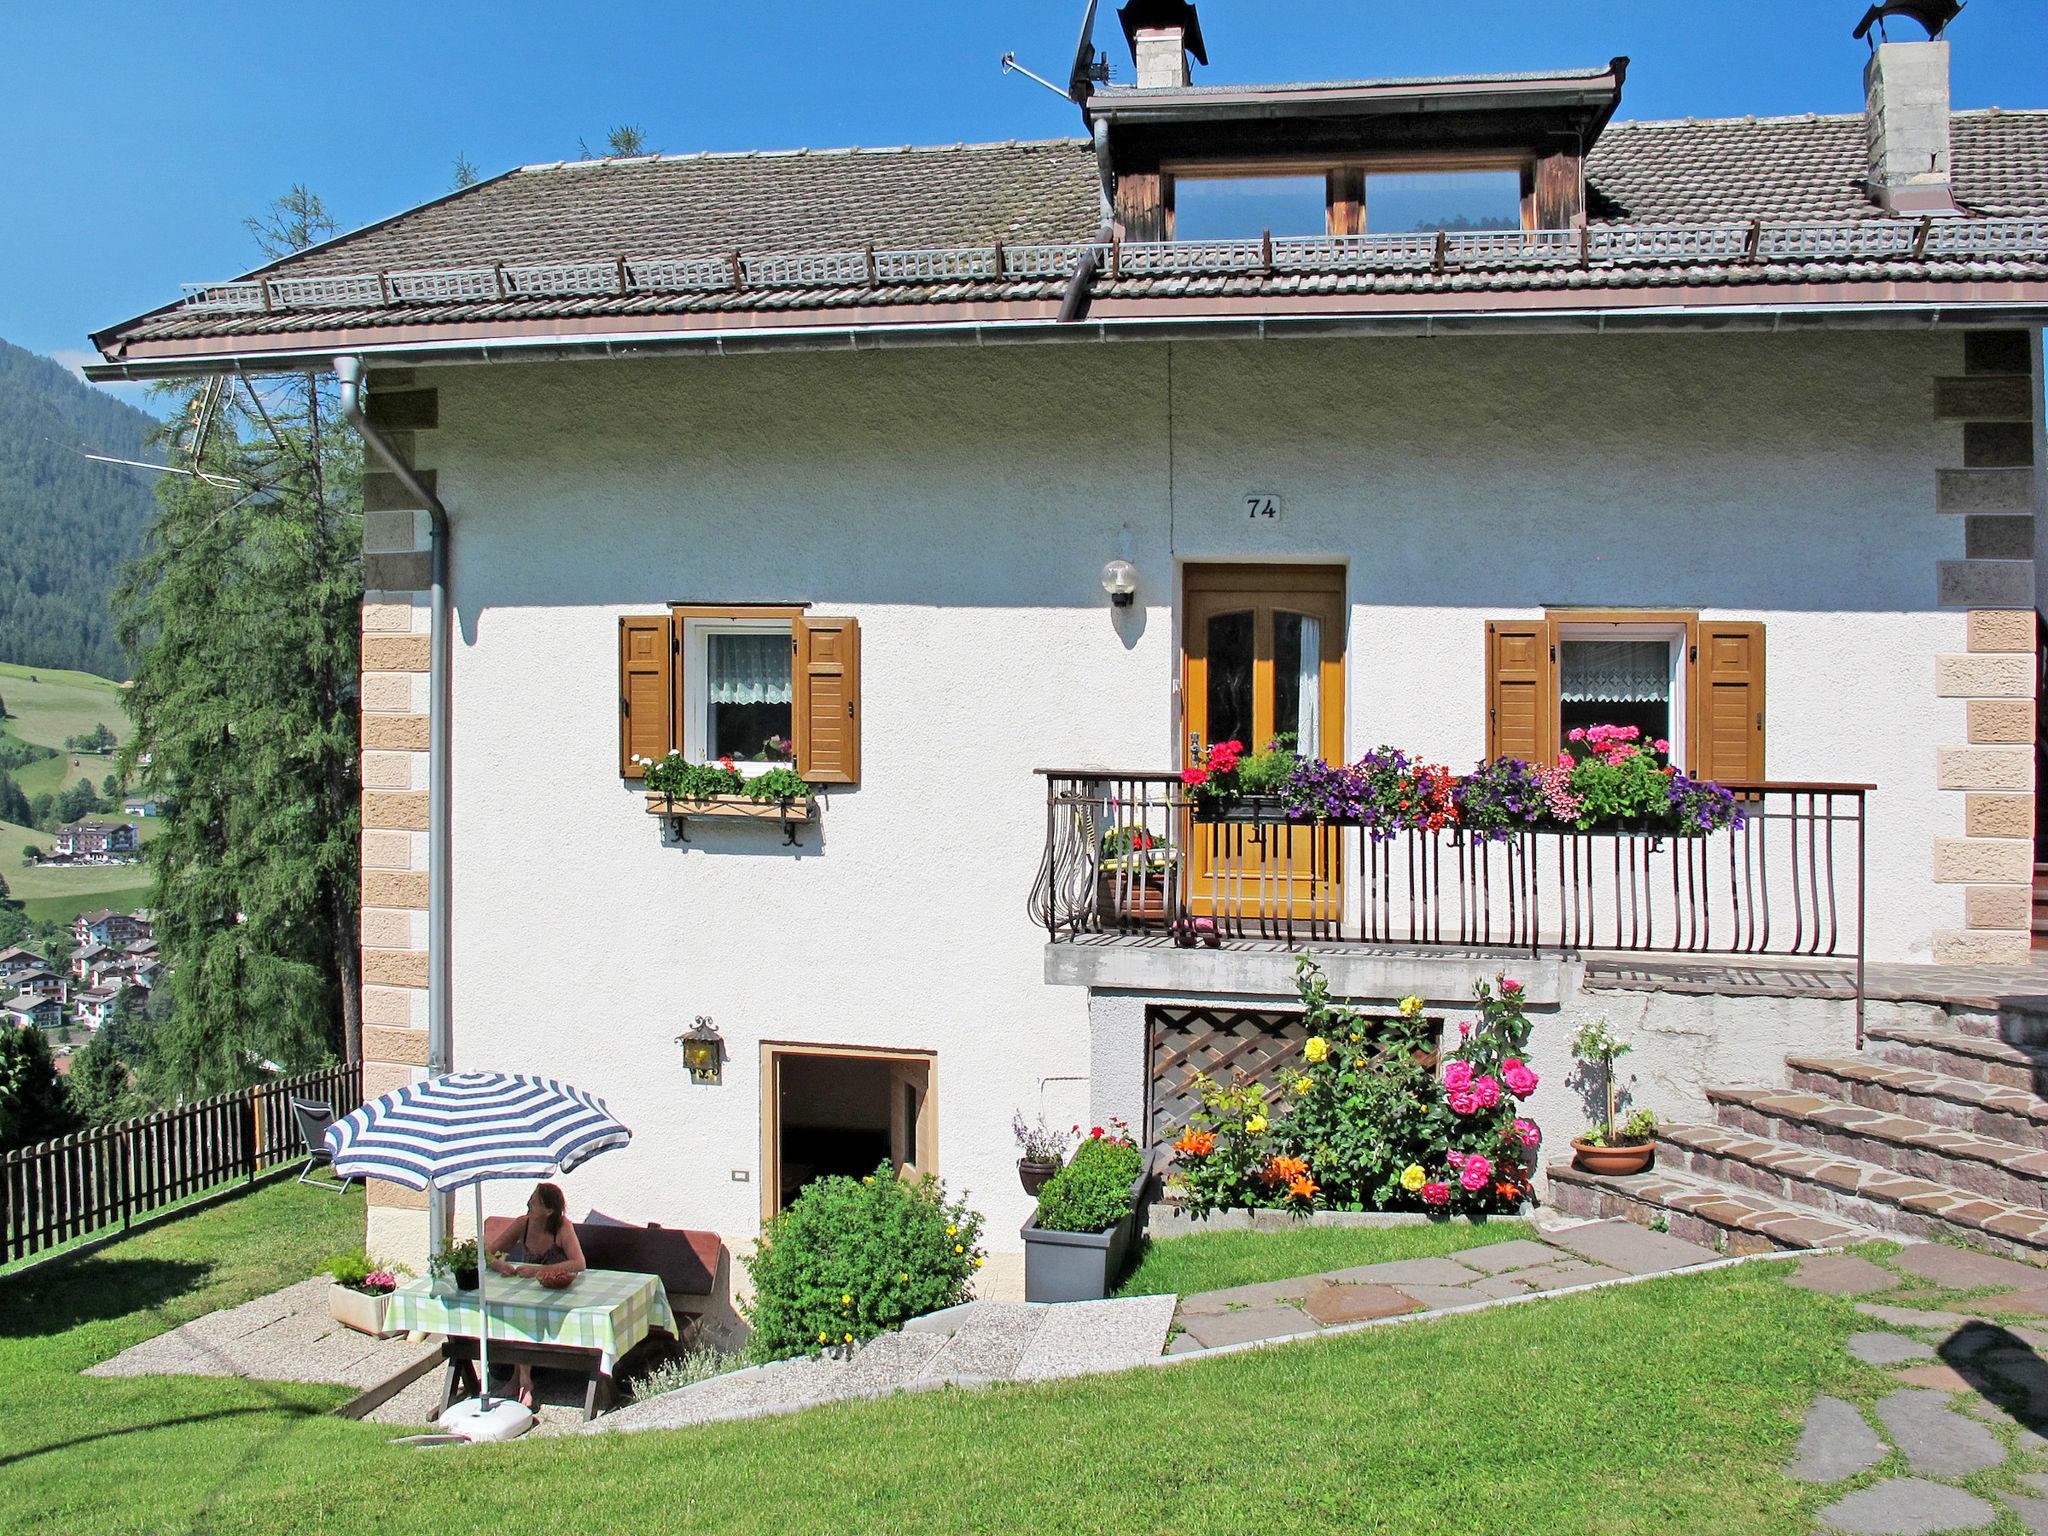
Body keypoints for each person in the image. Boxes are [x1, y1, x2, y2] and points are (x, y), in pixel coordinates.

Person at [481, 1182, 587, 1409]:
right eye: (531, 1198)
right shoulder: (523, 1223)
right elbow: (489, 1253)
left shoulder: (562, 1227)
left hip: (556, 1297)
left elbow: (579, 1263)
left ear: (549, 1210)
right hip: (527, 1296)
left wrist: (539, 1271)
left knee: (524, 1314)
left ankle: (519, 1382)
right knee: (520, 1312)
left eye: (535, 1201)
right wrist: (500, 1265)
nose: (529, 1203)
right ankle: (522, 1382)